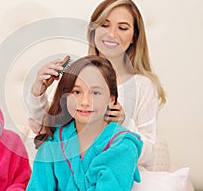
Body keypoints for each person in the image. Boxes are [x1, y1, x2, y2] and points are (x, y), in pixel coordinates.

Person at [25, 0, 166, 171]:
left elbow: (149, 155)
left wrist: (123, 123)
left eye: (122, 28)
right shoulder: (75, 73)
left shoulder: (143, 86)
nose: (111, 34)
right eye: (104, 25)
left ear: (134, 37)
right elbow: (48, 131)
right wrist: (38, 93)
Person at [27, 56, 143, 190]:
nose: (85, 102)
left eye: (95, 93)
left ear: (111, 99)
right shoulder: (54, 141)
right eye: (76, 92)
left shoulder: (122, 146)